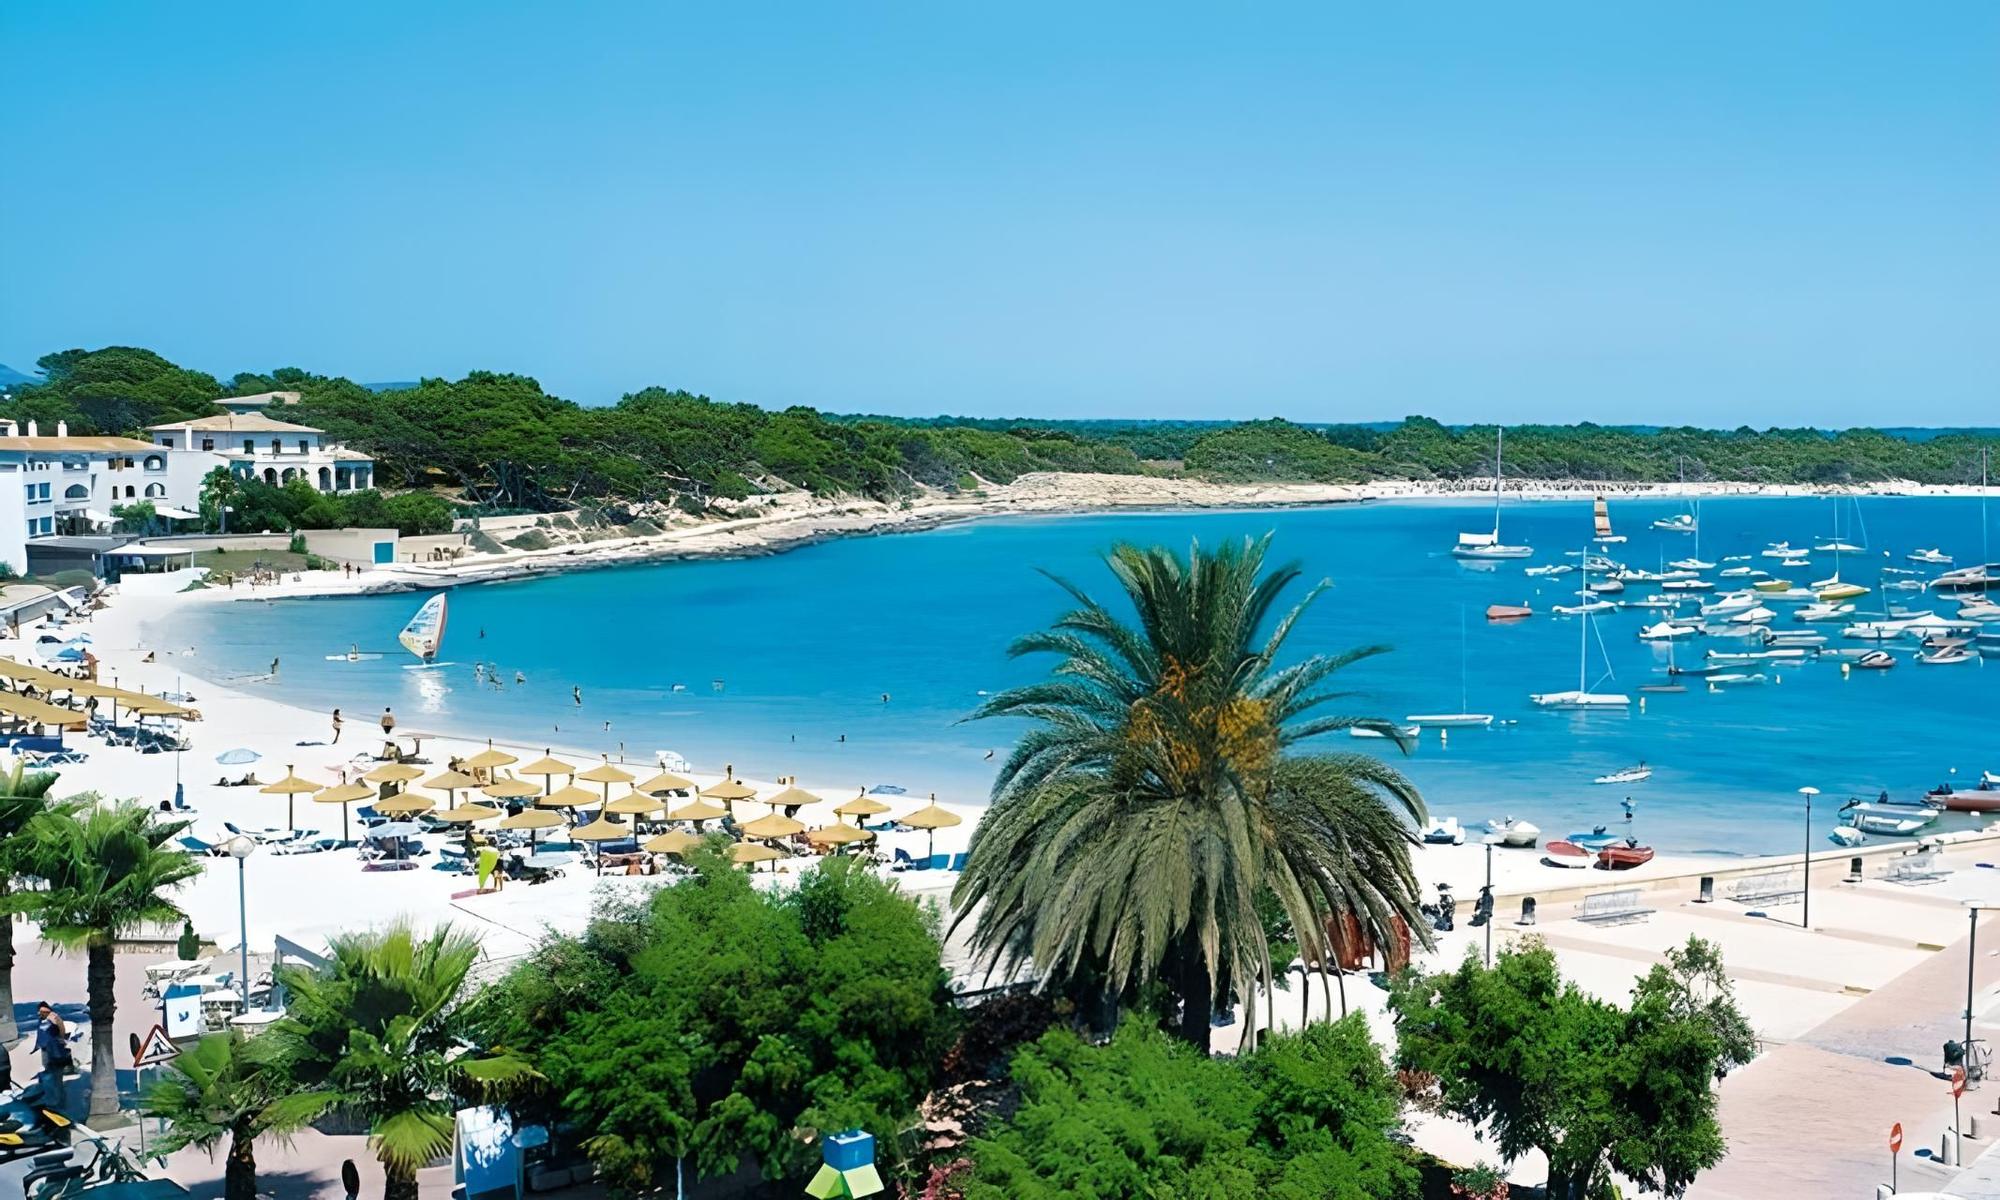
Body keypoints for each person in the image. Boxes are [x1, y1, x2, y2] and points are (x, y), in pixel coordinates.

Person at [34, 1002, 69, 1076]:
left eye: (43, 1012)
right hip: (45, 1047)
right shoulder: (41, 1019)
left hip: (54, 1046)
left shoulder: (53, 1016)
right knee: (48, 1066)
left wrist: (61, 1038)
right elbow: (40, 1033)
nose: (40, 1013)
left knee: (55, 1065)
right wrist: (37, 1046)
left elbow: (61, 1028)